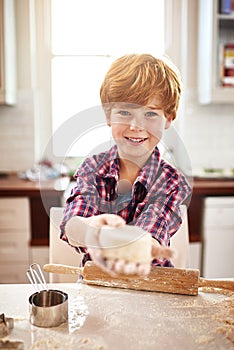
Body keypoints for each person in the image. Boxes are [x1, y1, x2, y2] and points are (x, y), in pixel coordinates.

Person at [60, 53, 192, 276]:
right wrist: (93, 232)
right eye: (124, 112)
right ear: (108, 115)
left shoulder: (171, 181)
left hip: (152, 292)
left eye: (150, 113)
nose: (135, 126)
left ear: (169, 118)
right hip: (97, 292)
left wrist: (136, 246)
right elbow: (72, 226)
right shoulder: (93, 169)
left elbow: (153, 227)